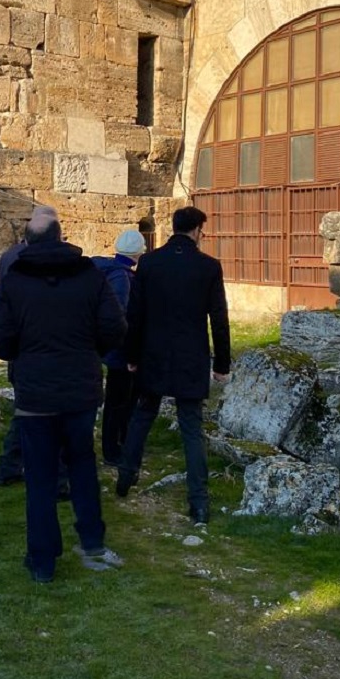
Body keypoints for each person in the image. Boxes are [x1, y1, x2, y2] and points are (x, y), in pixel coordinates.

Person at [0, 216, 127, 583]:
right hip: (80, 387)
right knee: (82, 465)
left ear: (26, 244)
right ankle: (92, 544)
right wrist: (87, 350)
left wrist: (25, 352)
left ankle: (43, 561)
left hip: (35, 391)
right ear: (62, 238)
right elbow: (114, 327)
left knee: (41, 475)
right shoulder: (90, 276)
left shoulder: (15, 281)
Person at [116, 206, 230, 524]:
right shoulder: (208, 267)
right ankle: (199, 503)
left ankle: (125, 476)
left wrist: (131, 356)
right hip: (190, 357)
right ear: (196, 230)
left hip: (153, 354)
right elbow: (219, 320)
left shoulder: (150, 263)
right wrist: (222, 362)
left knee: (142, 416)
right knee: (192, 429)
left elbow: (134, 315)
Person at [0, 205, 60, 487]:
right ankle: (54, 477)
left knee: (25, 411)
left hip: (21, 348)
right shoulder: (57, 260)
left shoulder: (8, 257)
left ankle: (10, 468)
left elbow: (0, 306)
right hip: (49, 346)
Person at [92, 229, 147, 466]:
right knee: (119, 402)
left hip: (104, 346)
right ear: (137, 254)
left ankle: (118, 445)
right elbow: (123, 318)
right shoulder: (123, 278)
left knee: (118, 401)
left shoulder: (103, 270)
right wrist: (129, 353)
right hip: (120, 351)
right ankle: (113, 451)